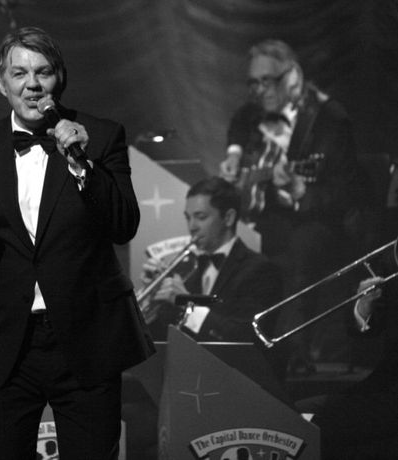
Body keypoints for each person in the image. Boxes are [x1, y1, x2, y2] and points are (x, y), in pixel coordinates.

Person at [0, 26, 154, 459]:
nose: (32, 84)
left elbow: (124, 225)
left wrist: (84, 167)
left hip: (87, 338)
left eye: (43, 72)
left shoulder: (101, 135)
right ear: (2, 84)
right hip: (4, 343)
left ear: (58, 79)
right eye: (19, 73)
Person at [218, 39, 368, 374]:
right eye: (253, 83)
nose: (259, 90)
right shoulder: (252, 112)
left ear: (293, 77)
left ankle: (290, 359)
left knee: (298, 248)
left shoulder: (330, 119)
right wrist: (234, 155)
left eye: (267, 81)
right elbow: (239, 124)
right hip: (272, 217)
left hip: (323, 221)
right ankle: (232, 351)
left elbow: (346, 194)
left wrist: (301, 191)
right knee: (231, 240)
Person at [142, 176, 282, 343]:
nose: (192, 226)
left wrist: (187, 305)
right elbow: (161, 339)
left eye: (201, 217)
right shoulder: (188, 272)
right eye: (188, 218)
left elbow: (246, 336)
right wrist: (150, 304)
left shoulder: (261, 269)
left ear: (228, 218)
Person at [296, 274, 398, 459]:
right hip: (381, 385)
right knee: (292, 413)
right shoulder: (389, 265)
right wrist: (364, 306)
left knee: (308, 426)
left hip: (389, 400)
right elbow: (368, 332)